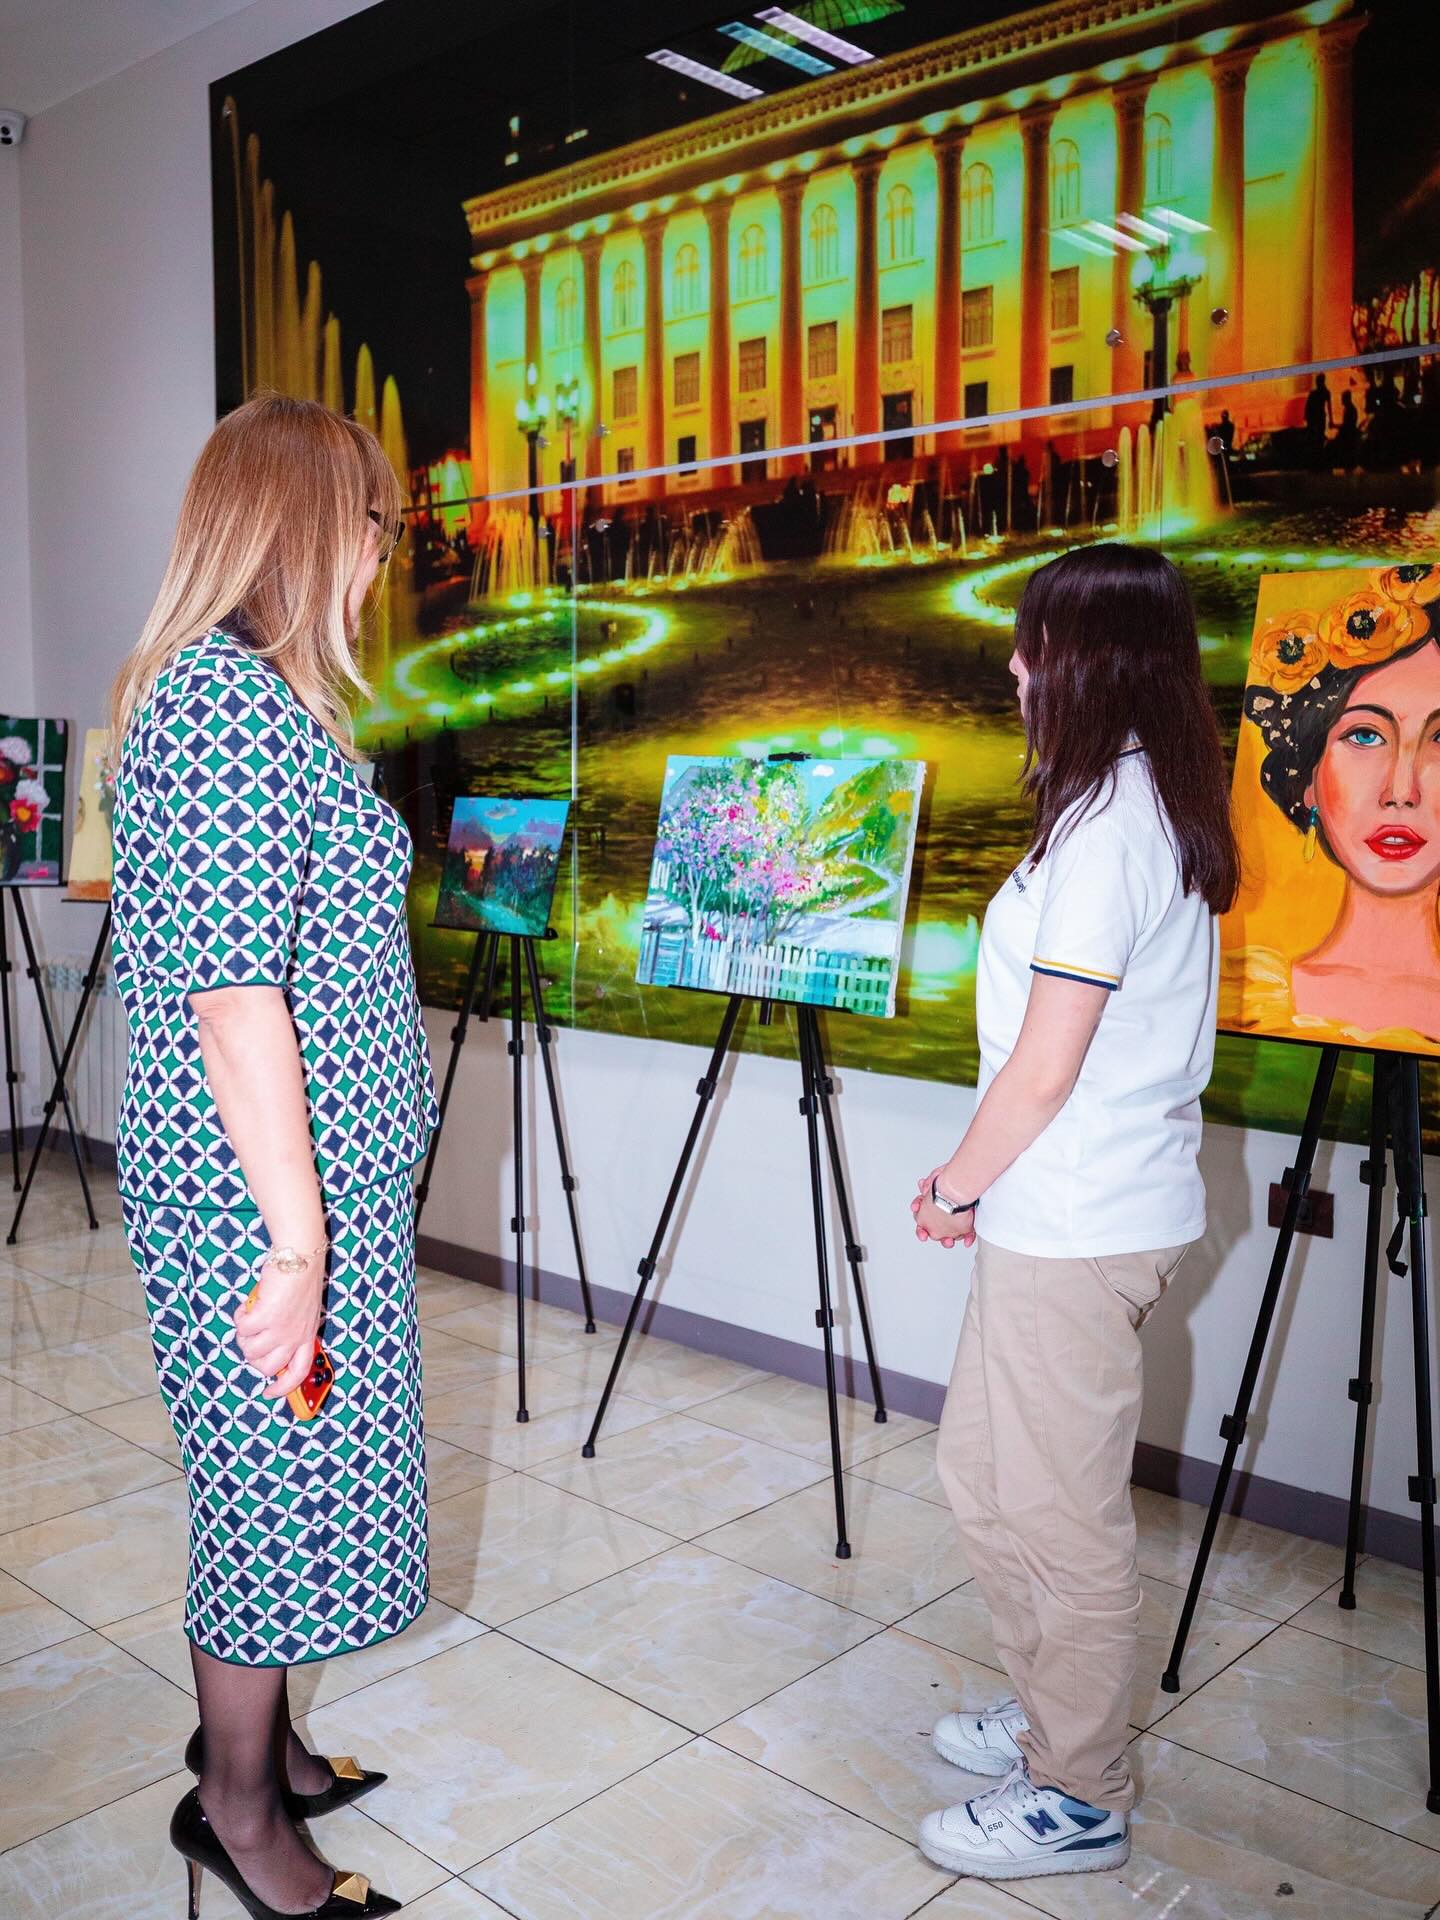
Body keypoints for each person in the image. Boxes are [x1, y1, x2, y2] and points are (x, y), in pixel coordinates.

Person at [110, 394, 439, 1919]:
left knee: (287, 1482)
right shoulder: (225, 708)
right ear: (314, 526)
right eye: (378, 524)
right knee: (268, 1501)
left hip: (300, 1196)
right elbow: (236, 1004)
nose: (386, 553)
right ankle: (235, 1810)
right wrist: (297, 1251)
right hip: (260, 1209)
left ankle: (272, 1747)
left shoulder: (253, 701)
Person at [910, 543, 1238, 1882]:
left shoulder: (1113, 829)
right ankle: (1051, 1710)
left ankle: (1079, 1792)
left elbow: (1045, 1066)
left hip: (1079, 1220)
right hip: (1059, 1213)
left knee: (1058, 1514)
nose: (1013, 664)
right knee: (985, 1477)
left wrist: (953, 1184)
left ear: (1090, 663)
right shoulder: (1119, 802)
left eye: (1033, 643)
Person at [1226, 564, 1440, 1044]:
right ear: (1308, 778)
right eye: (1364, 736)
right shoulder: (1249, 995)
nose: (1401, 791)